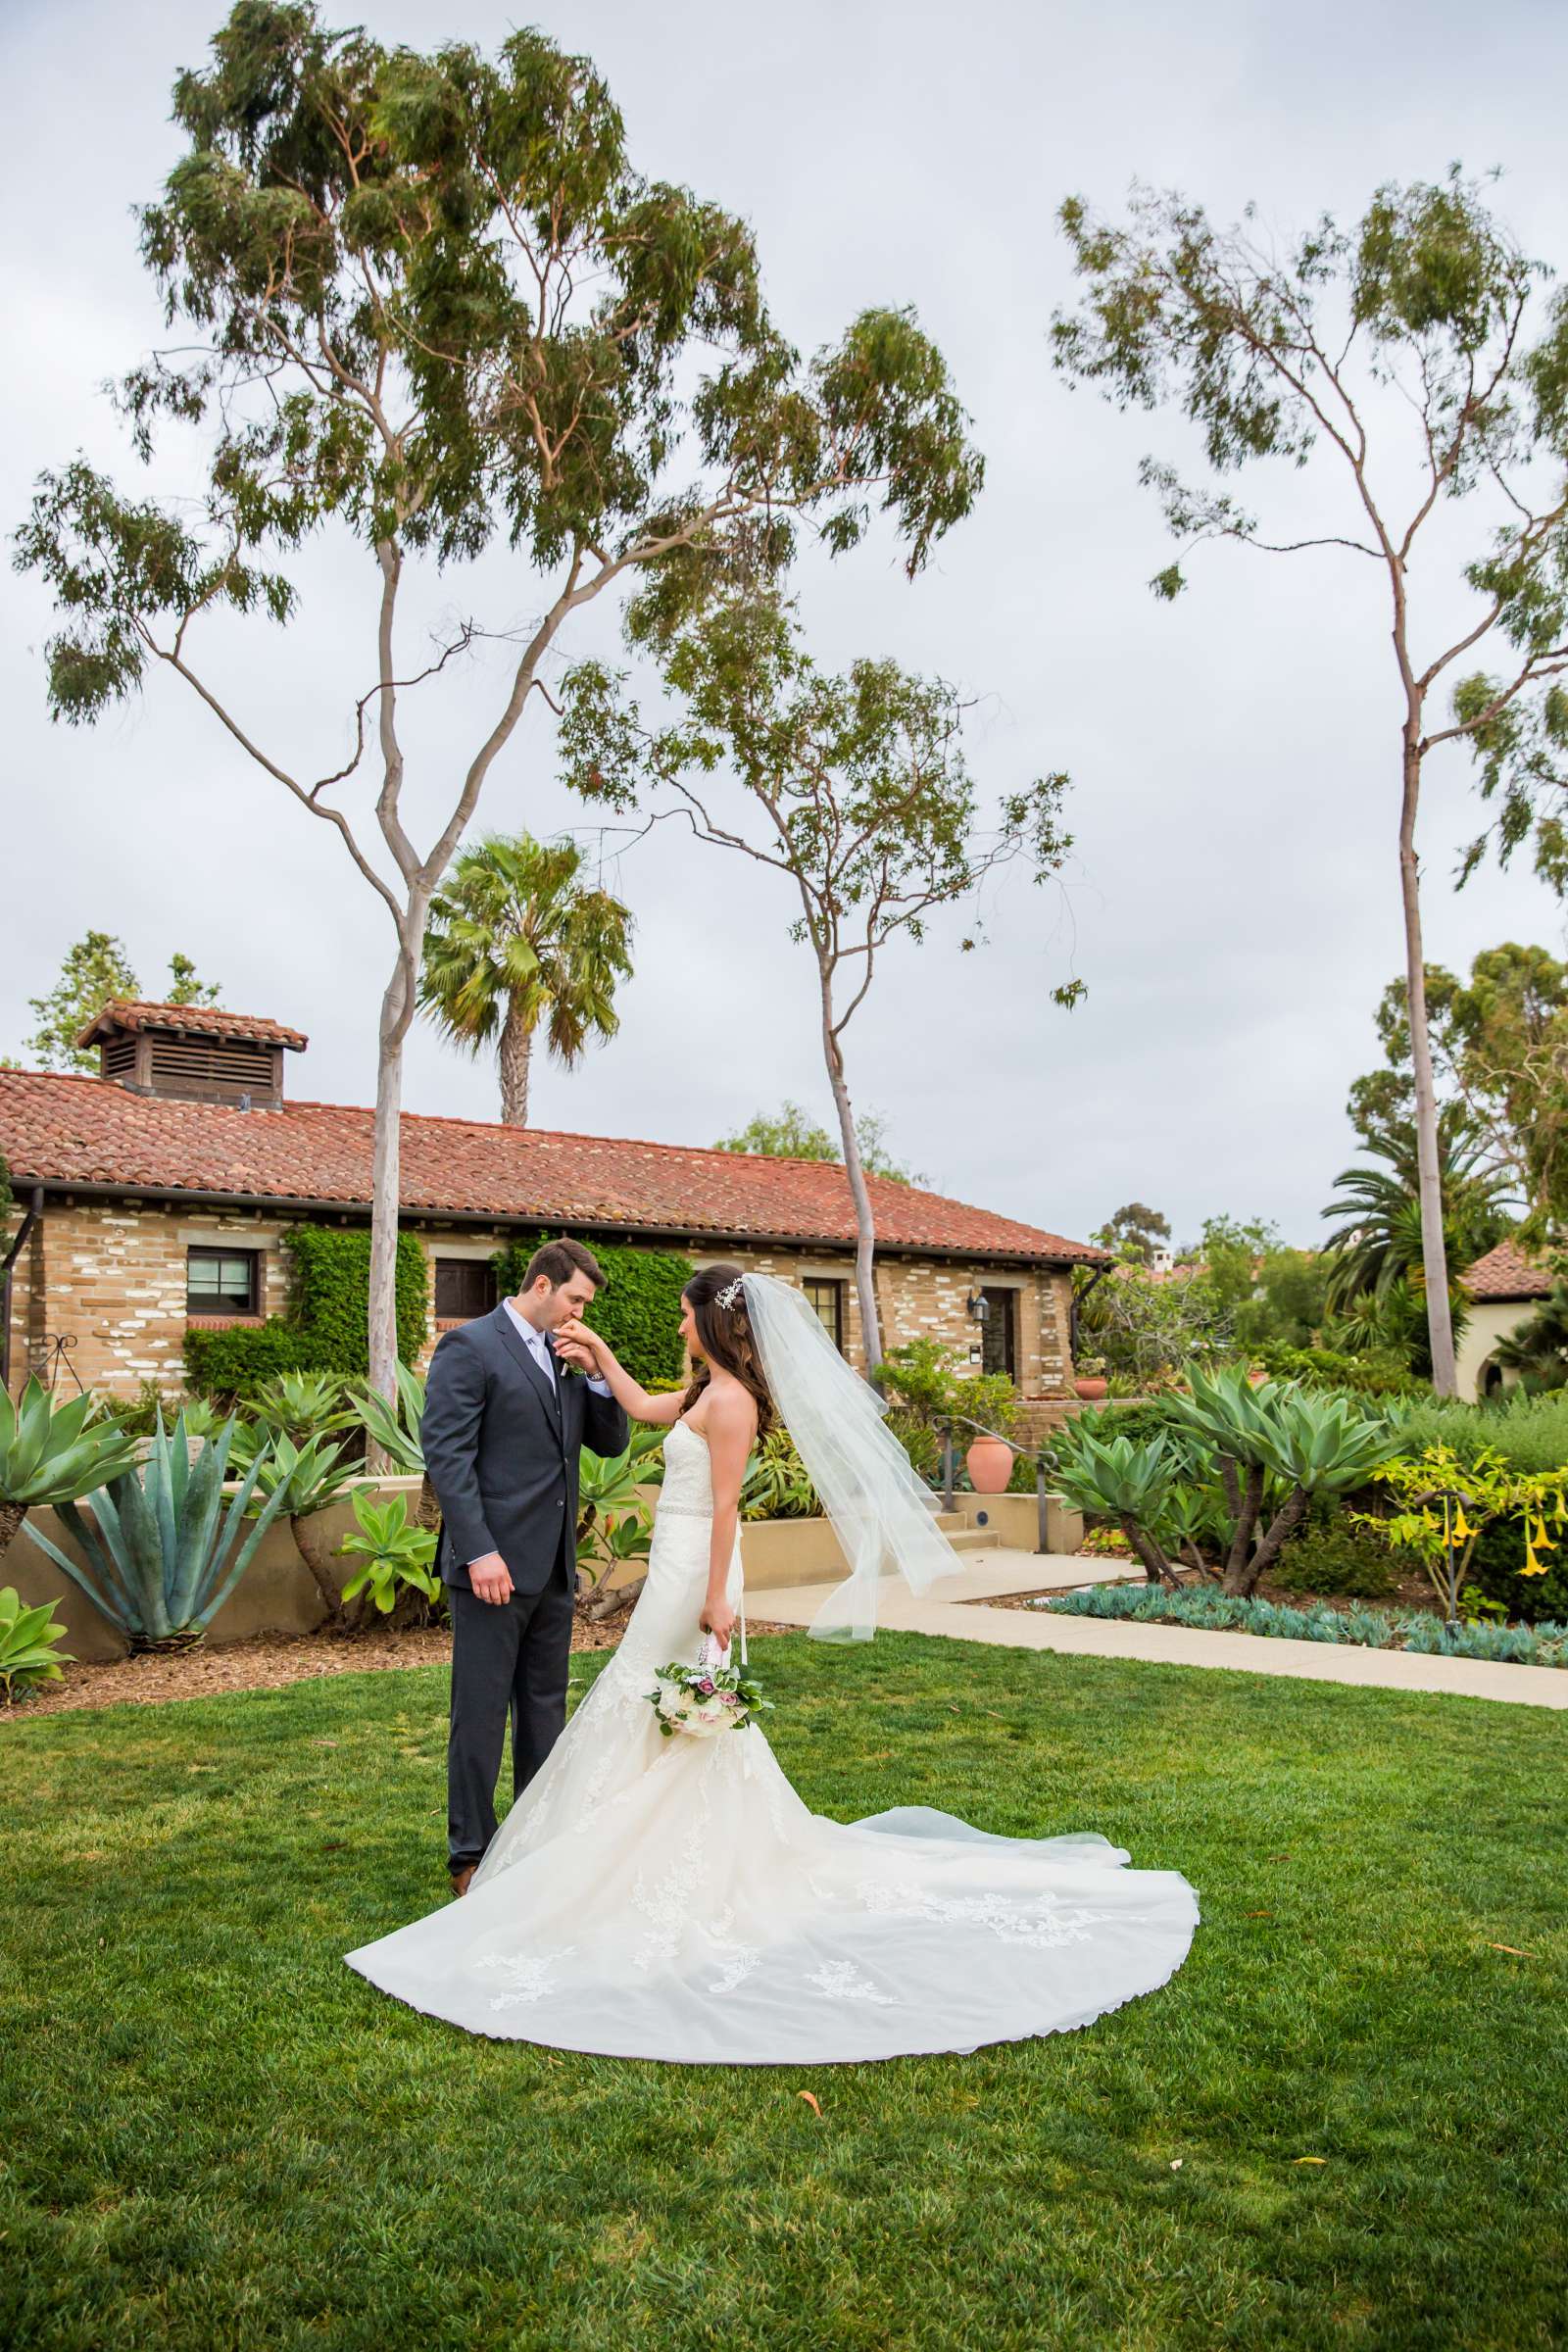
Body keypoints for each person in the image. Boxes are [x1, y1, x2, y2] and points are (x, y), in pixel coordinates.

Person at [346, 1264, 1200, 2063]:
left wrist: (719, 1598)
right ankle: (587, 1847)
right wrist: (598, 1354)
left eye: (684, 1310)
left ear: (711, 1323)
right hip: (676, 1568)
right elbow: (641, 1409)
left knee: (647, 1697)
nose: (674, 1318)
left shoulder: (732, 1405)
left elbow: (725, 1510)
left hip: (696, 1572)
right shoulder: (703, 1392)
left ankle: (629, 1855)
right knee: (643, 1702)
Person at [419, 1236, 628, 1896]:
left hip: (555, 1568)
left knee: (545, 1712)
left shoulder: (566, 1354)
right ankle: (470, 1854)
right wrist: (478, 1551)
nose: (578, 1315)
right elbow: (448, 1457)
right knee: (479, 1714)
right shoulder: (470, 1347)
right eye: (574, 1300)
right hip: (492, 1568)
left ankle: (534, 1838)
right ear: (542, 1285)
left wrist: (595, 1368)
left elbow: (611, 1440)